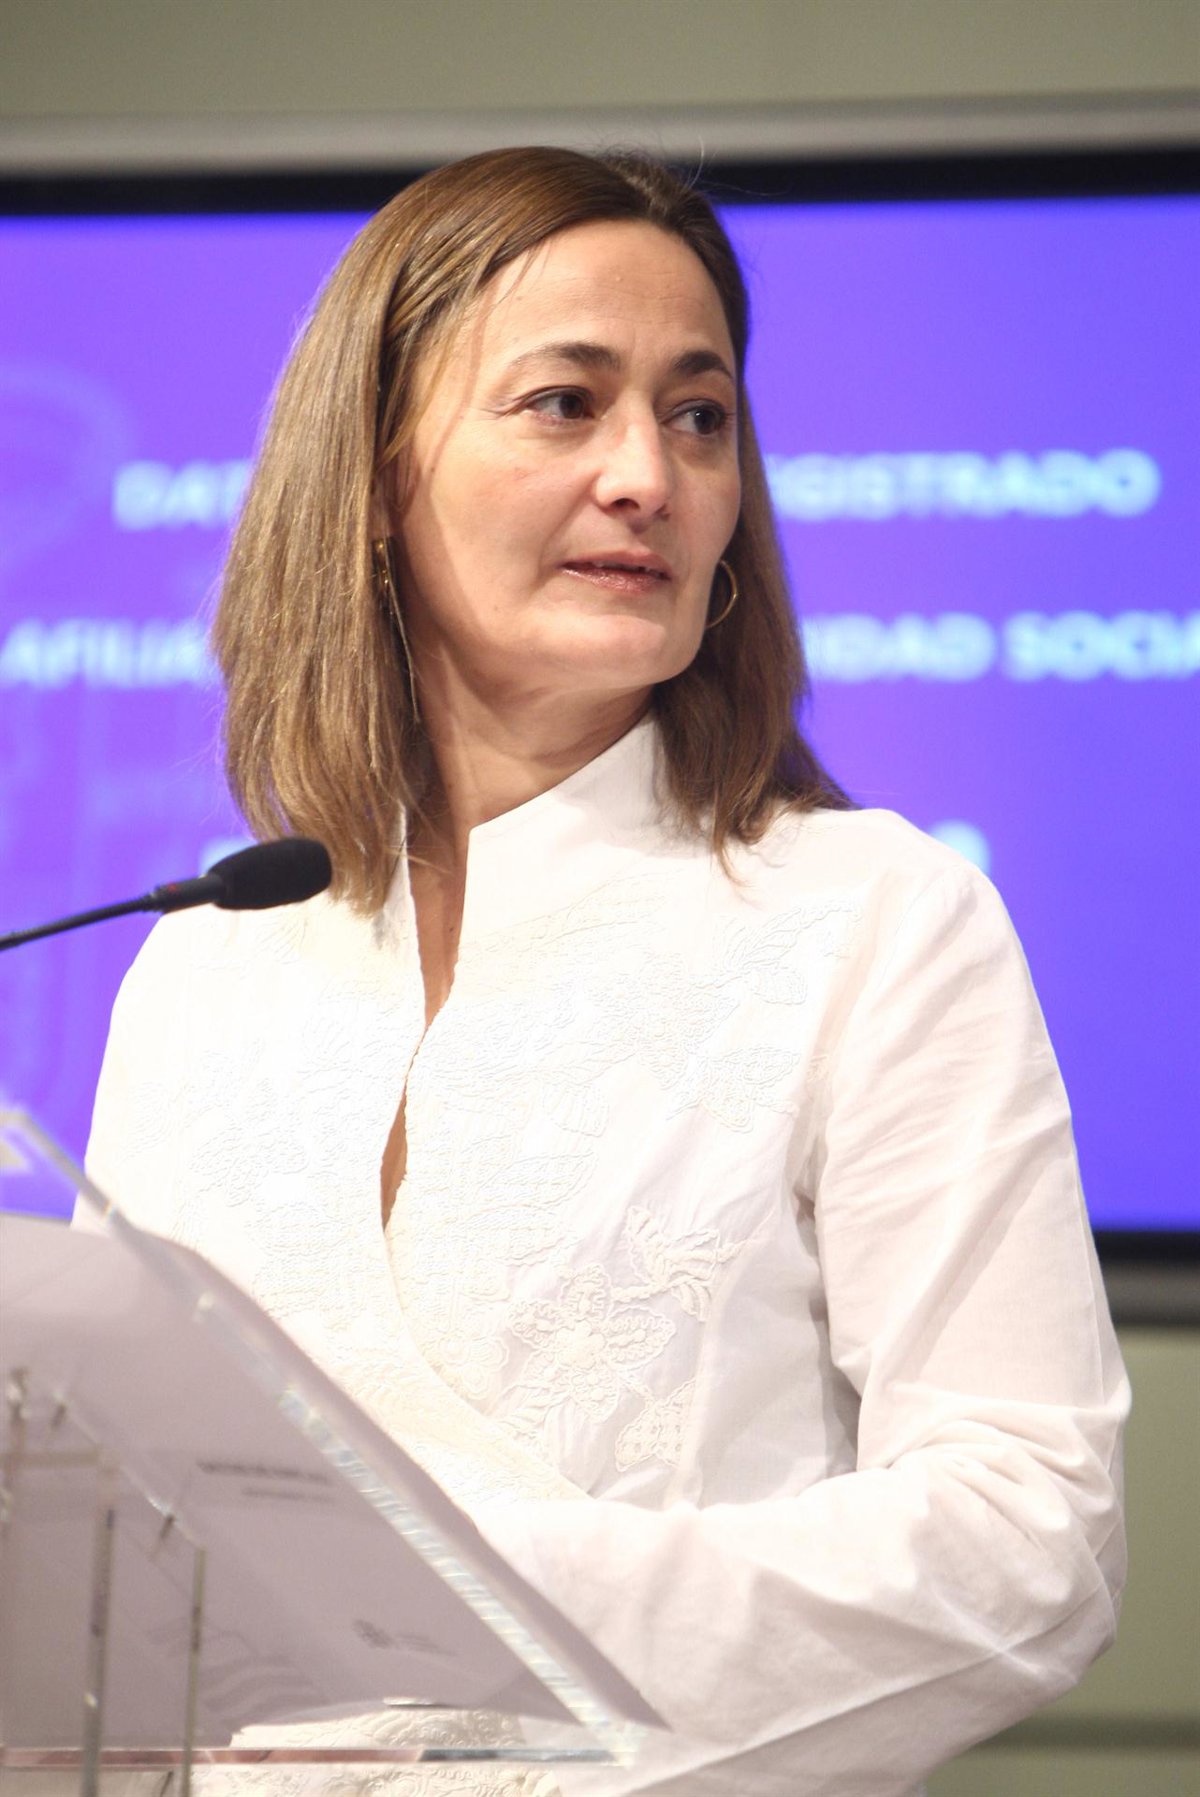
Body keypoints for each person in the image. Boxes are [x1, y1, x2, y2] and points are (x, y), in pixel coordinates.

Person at [87, 146, 1128, 1796]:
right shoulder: (204, 964)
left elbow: (1029, 1539)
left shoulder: (875, 916)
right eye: (565, 403)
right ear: (373, 475)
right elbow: (105, 1534)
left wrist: (448, 1616)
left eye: (699, 415)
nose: (649, 473)